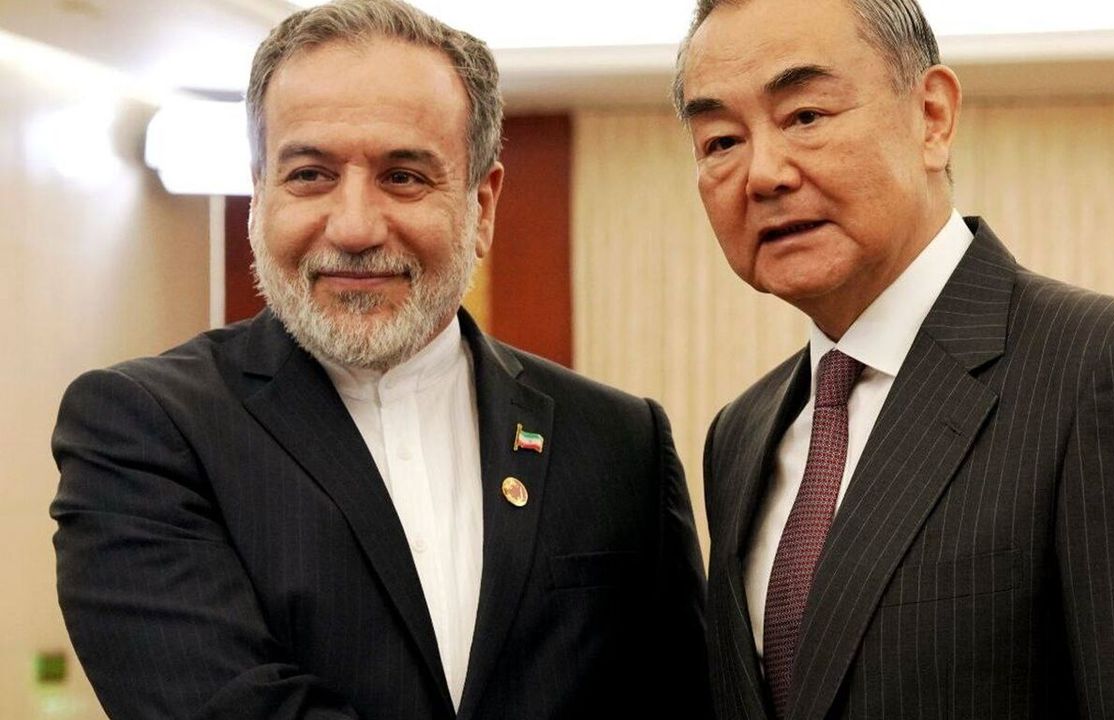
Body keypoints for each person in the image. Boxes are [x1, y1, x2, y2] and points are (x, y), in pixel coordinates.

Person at [50, 1, 710, 717]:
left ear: (482, 207)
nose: (355, 228)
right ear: (259, 196)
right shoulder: (145, 430)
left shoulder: (618, 441)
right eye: (310, 175)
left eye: (403, 177)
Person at [673, 0, 1114, 718]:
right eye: (721, 141)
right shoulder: (739, 435)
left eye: (805, 116)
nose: (763, 174)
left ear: (932, 117)